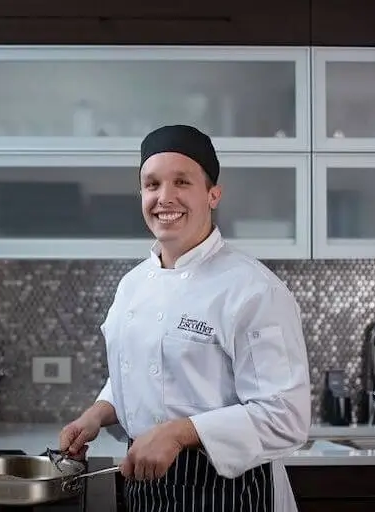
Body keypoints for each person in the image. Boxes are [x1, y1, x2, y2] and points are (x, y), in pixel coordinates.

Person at [58, 124, 311, 512]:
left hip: (229, 494)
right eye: (152, 184)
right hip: (148, 491)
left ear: (213, 194)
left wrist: (181, 433)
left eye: (181, 181)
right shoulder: (132, 285)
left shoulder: (254, 290)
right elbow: (145, 368)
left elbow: (286, 417)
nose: (164, 197)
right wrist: (98, 413)